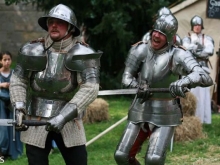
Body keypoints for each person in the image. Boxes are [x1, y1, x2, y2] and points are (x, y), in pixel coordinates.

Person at [9, 4, 102, 165]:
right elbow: (18, 79)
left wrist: (63, 116)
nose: (53, 25)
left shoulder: (82, 53)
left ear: (71, 28)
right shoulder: (33, 49)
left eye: (59, 22)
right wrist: (19, 107)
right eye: (51, 21)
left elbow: (90, 88)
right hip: (35, 119)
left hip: (69, 120)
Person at [114, 14, 213, 165]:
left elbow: (205, 77)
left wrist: (184, 81)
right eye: (155, 31)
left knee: (154, 160)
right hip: (140, 108)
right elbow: (126, 77)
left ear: (170, 37)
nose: (156, 35)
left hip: (166, 112)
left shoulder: (178, 54)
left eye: (162, 33)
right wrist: (137, 86)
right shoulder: (140, 49)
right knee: (122, 155)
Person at [182, 15, 214, 124]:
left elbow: (209, 51)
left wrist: (195, 48)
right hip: (190, 70)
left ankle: (203, 120)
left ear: (201, 26)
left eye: (199, 25)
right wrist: (199, 48)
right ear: (192, 26)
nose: (197, 27)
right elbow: (186, 50)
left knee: (203, 96)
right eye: (195, 25)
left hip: (203, 70)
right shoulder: (187, 38)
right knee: (191, 95)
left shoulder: (207, 38)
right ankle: (191, 118)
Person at [0, 51, 23, 161]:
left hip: (12, 102)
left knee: (13, 126)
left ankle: (12, 152)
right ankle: (2, 152)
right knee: (3, 129)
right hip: (0, 103)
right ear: (1, 61)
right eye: (5, 59)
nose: (7, 62)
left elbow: (20, 86)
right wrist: (1, 85)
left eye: (9, 59)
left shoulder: (14, 73)